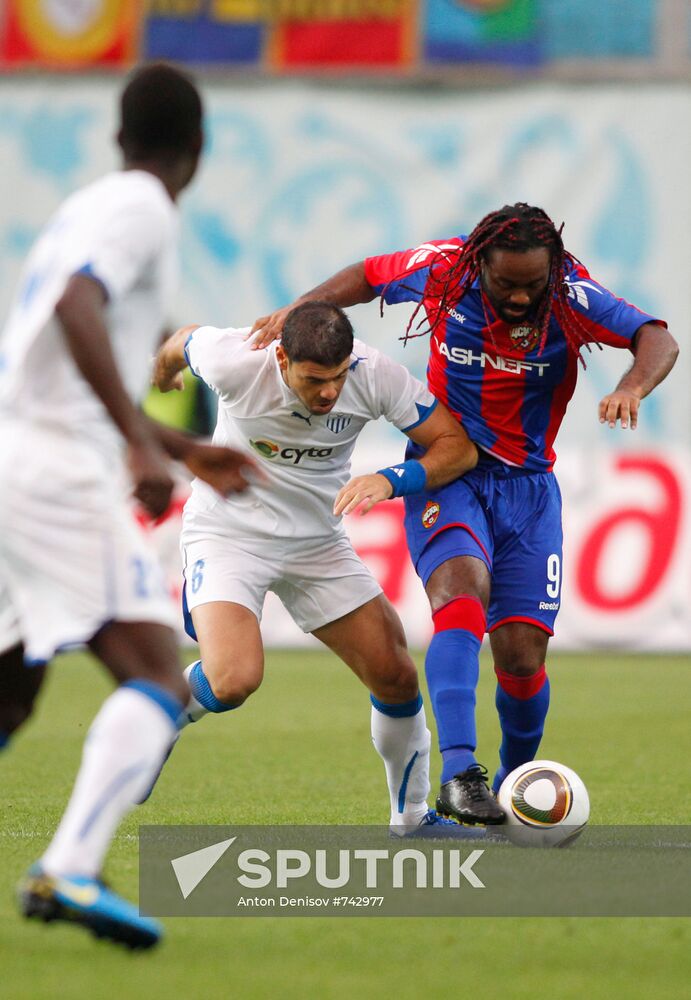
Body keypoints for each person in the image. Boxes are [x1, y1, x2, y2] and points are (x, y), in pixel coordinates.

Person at [249, 203, 679, 825]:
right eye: (507, 284)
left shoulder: (571, 294)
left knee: (522, 656)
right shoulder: (444, 269)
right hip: (449, 471)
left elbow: (656, 337)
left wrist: (631, 387)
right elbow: (368, 274)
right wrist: (304, 308)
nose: (521, 297)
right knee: (461, 591)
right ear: (480, 264)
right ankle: (460, 775)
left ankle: (511, 791)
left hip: (529, 491)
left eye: (533, 284)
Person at [0, 63, 258, 950]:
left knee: (9, 691)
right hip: (54, 472)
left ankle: (68, 865)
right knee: (154, 671)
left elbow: (68, 334)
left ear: (118, 136)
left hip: (16, 453)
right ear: (197, 149)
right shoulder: (143, 206)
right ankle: (69, 867)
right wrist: (141, 443)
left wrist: (182, 449)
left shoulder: (88, 205)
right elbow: (78, 305)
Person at [152, 300, 481, 836]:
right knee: (233, 680)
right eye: (314, 379)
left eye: (337, 376)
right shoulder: (235, 360)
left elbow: (456, 447)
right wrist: (163, 368)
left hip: (318, 545)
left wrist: (393, 479)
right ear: (281, 358)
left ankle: (414, 818)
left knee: (396, 675)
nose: (329, 392)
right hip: (229, 534)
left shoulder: (374, 374)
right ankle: (162, 713)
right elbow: (184, 338)